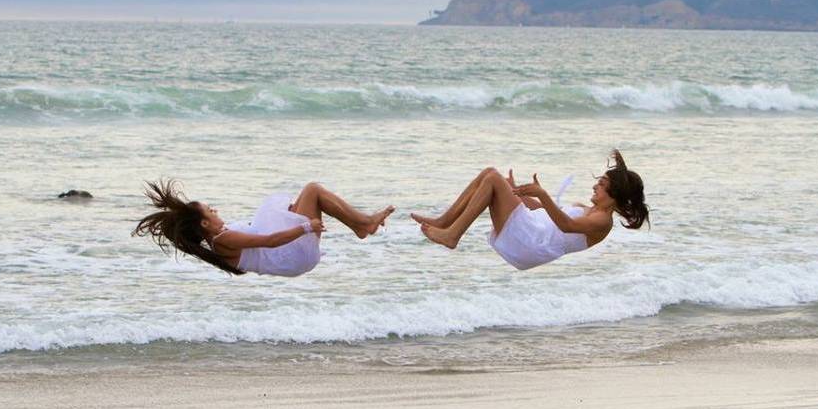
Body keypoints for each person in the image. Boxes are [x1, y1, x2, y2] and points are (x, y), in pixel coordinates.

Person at [412, 150, 648, 270]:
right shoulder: (588, 210)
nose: (595, 185)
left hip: (532, 243)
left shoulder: (602, 221)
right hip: (532, 230)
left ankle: (453, 234)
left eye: (603, 184)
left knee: (493, 177)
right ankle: (445, 222)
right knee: (490, 174)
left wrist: (543, 194)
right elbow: (544, 214)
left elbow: (566, 225)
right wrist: (517, 192)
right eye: (599, 181)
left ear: (616, 195)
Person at [134, 179, 394, 276]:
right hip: (291, 255)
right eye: (210, 210)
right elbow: (269, 242)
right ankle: (363, 224)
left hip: (290, 258)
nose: (215, 210)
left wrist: (294, 216)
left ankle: (361, 225)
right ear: (204, 223)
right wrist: (305, 228)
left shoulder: (222, 238)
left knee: (306, 197)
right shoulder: (224, 240)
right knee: (313, 189)